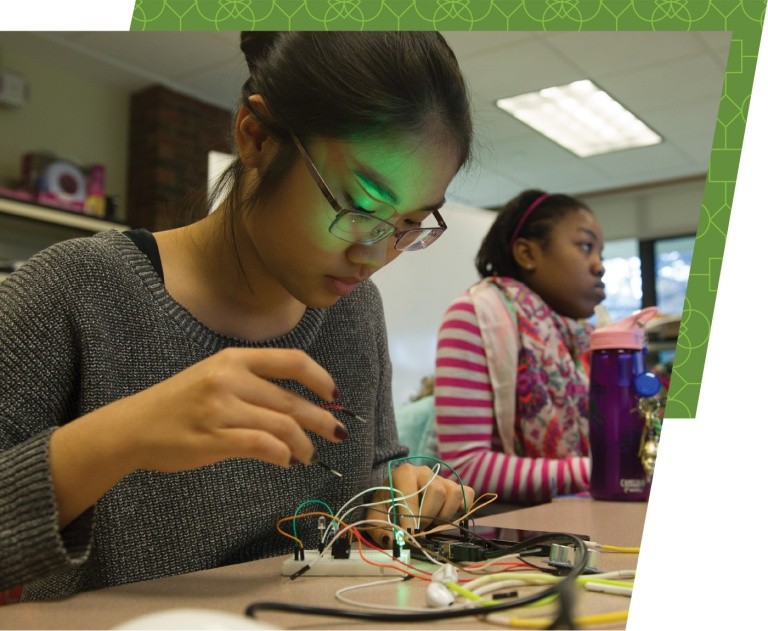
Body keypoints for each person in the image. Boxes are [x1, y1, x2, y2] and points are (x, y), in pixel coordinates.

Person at [0, 31, 476, 600]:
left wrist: (396, 492)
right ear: (257, 139)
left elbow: (369, 472)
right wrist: (119, 436)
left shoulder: (354, 310)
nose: (374, 255)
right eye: (360, 206)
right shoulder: (75, 290)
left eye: (409, 224)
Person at [433, 189, 606, 505]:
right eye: (585, 247)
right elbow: (462, 468)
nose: (599, 266)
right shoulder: (475, 314)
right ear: (527, 254)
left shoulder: (581, 336)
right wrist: (596, 471)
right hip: (505, 537)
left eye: (601, 253)